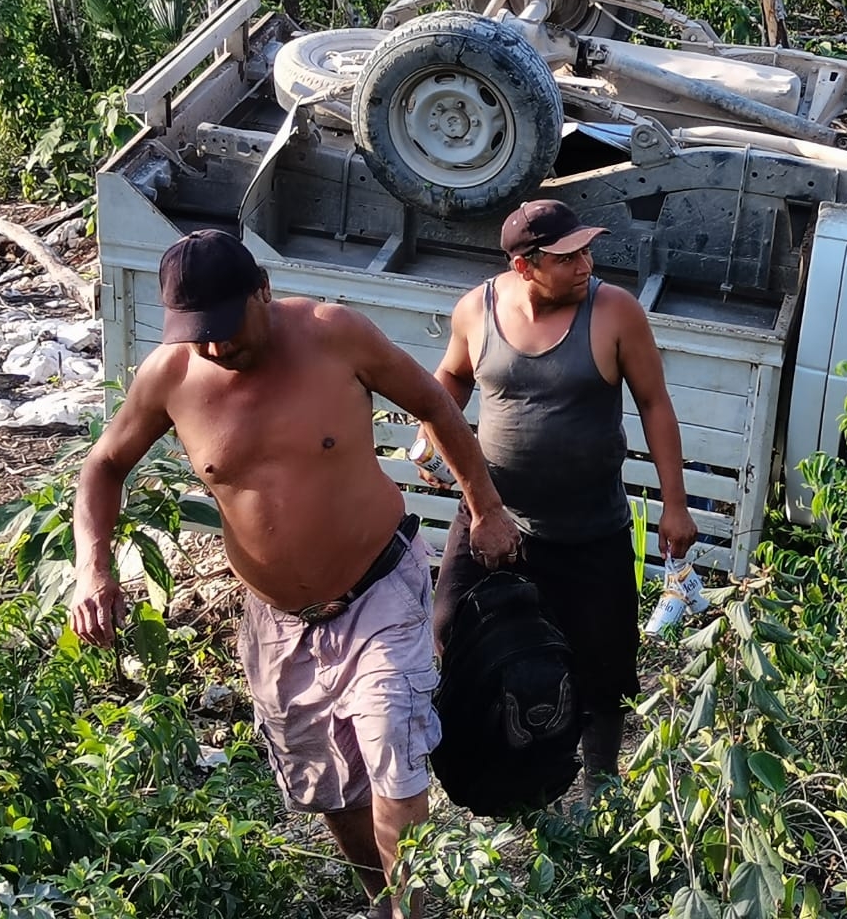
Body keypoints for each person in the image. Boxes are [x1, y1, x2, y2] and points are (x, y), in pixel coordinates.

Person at [68, 229, 518, 919]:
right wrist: (92, 568)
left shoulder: (334, 334)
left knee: (390, 751)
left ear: (263, 292)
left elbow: (433, 403)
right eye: (199, 333)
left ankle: (414, 912)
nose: (216, 347)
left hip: (379, 586)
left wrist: (484, 507)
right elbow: (102, 466)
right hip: (275, 619)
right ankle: (382, 901)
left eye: (225, 326)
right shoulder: (171, 376)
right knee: (329, 783)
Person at [424, 199, 698, 783]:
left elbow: (654, 403)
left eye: (586, 251)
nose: (586, 264)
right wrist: (434, 440)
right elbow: (449, 378)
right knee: (451, 630)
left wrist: (675, 505)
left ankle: (600, 782)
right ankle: (490, 757)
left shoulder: (614, 312)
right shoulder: (478, 309)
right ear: (525, 267)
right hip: (493, 518)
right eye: (567, 256)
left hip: (589, 530)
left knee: (605, 667)